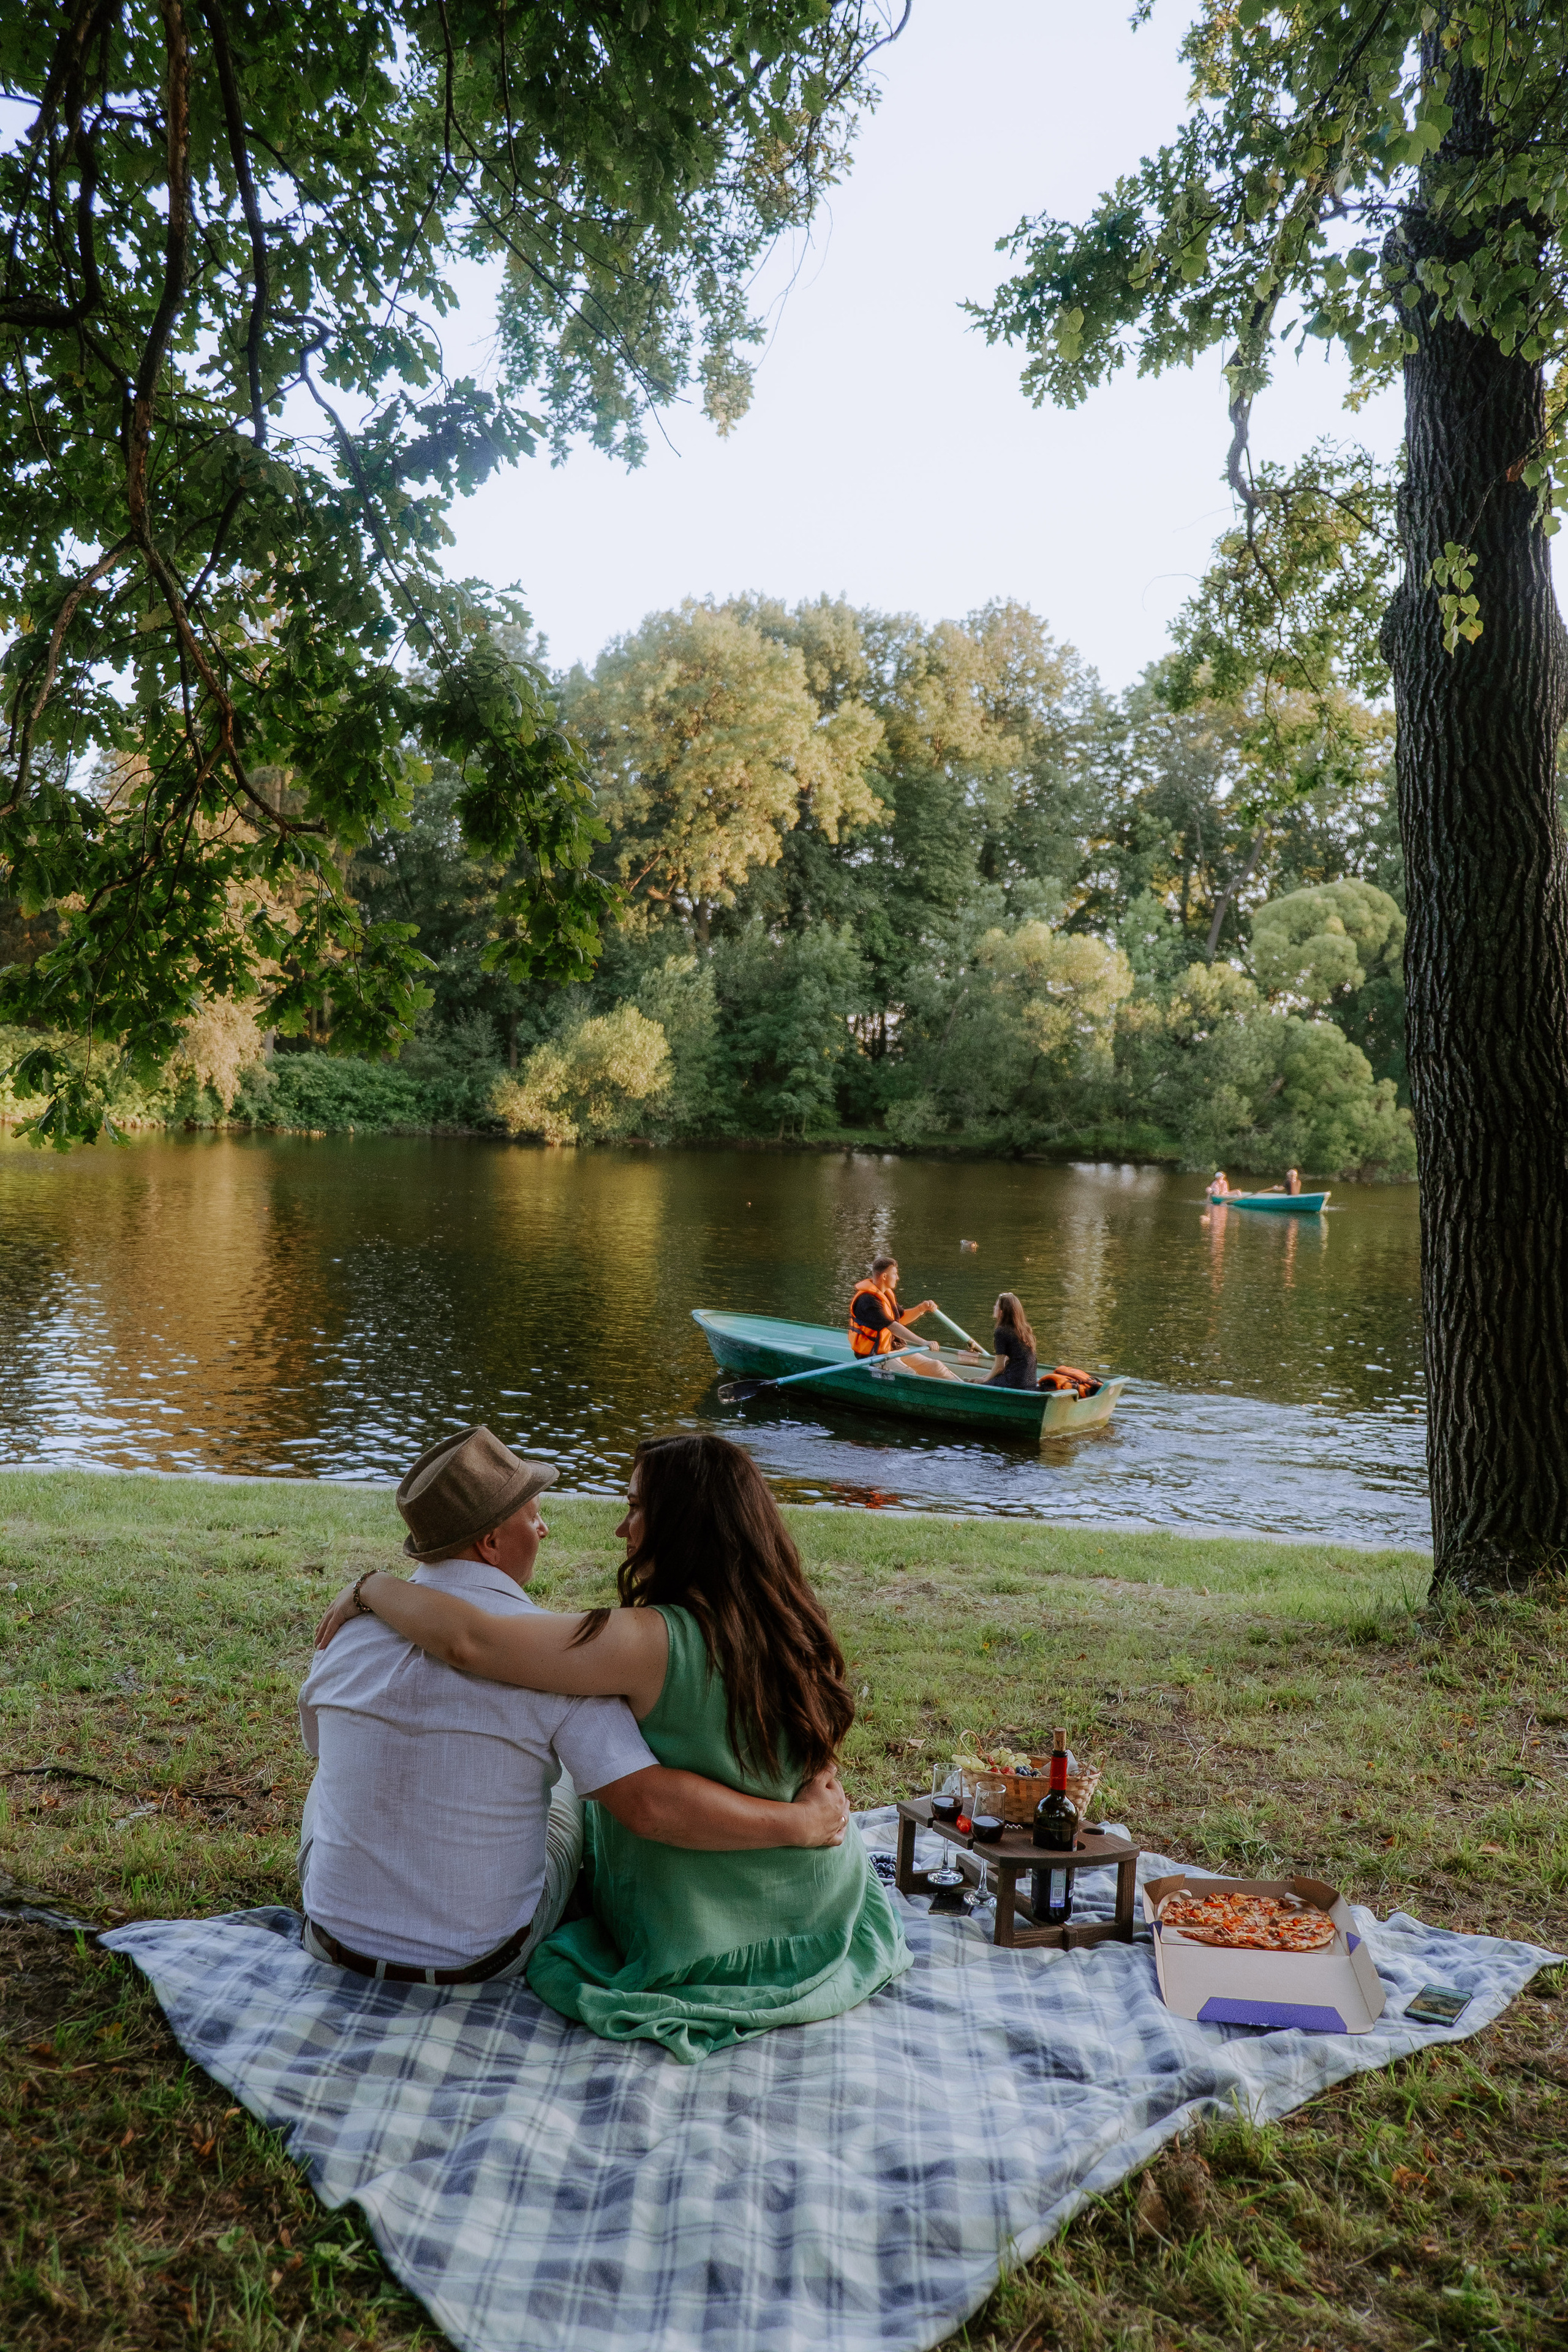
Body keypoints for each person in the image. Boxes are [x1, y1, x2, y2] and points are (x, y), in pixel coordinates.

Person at [315, 1433, 910, 2059]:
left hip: (706, 1934)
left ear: (682, 1522)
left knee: (576, 1780)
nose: (621, 1530)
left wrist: (371, 1588)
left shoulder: (644, 1640)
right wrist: (807, 1819)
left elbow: (475, 1644)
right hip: (818, 1911)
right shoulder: (786, 1617)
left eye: (635, 1508)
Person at [846, 1254, 960, 1379]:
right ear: (884, 1276)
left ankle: (964, 1389)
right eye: (895, 1274)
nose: (898, 1277)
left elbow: (901, 1319)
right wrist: (923, 1342)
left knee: (935, 1366)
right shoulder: (867, 1301)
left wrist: (921, 1309)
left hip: (895, 1349)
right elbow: (894, 1327)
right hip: (875, 1356)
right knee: (909, 1374)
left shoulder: (886, 1295)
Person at [984, 1292, 1038, 1390]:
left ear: (1002, 1312)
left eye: (996, 1305)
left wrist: (982, 1381)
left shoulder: (1001, 1331)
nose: (994, 1307)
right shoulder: (1024, 1330)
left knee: (982, 1386)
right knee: (989, 1380)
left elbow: (999, 1368)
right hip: (1030, 1383)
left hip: (1014, 1383)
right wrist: (986, 1378)